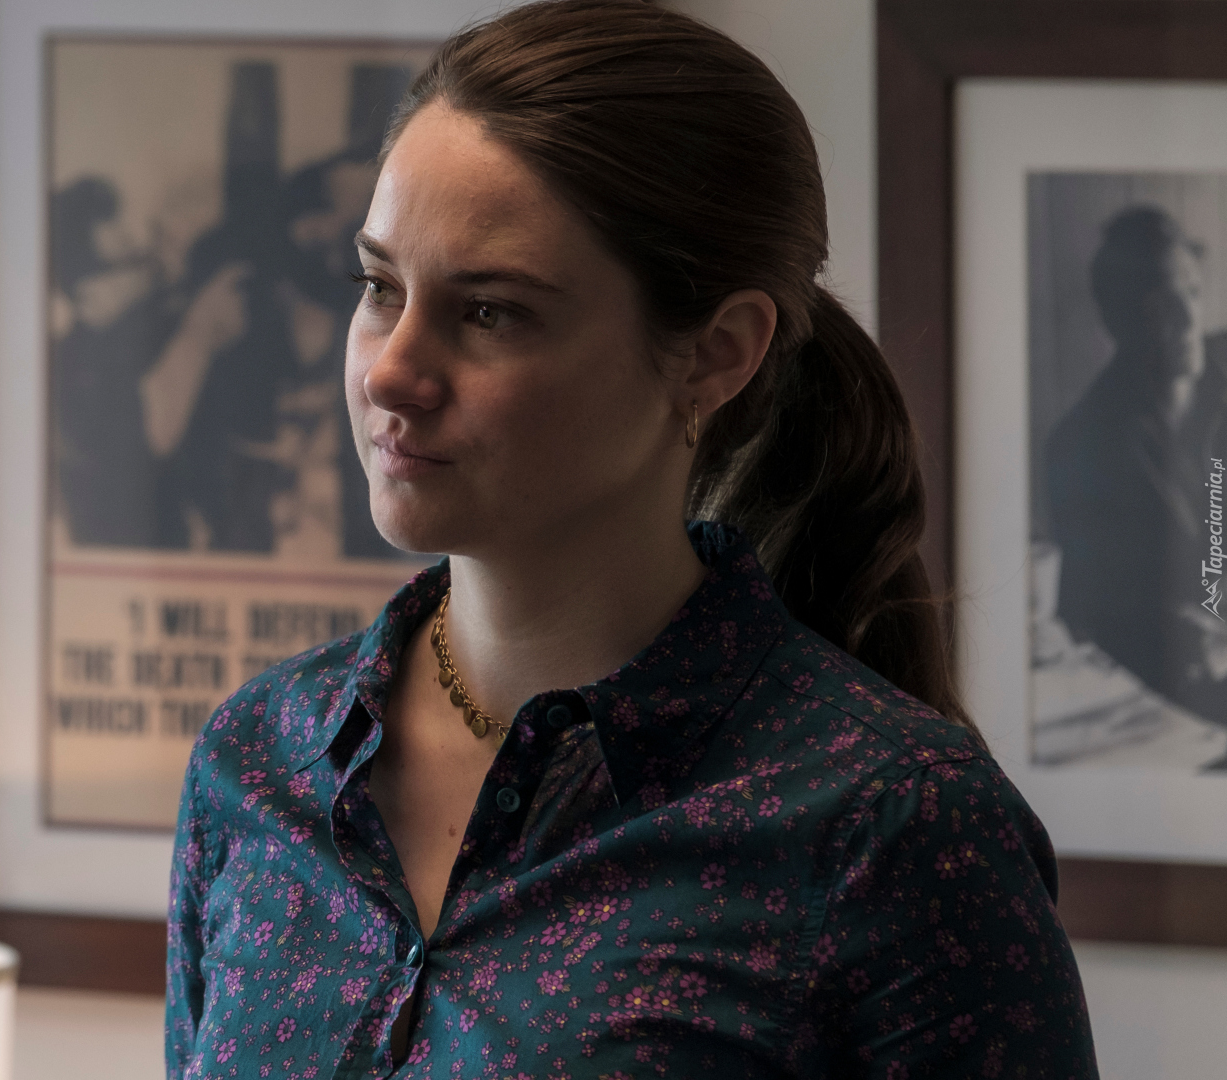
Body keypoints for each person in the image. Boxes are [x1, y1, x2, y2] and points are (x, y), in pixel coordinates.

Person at [164, 2, 1098, 1077]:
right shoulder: (257, 759)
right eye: (380, 289)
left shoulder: (895, 826)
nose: (391, 372)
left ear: (716, 354)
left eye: (490, 312)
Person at [1046, 204, 1227, 729]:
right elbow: (1087, 616)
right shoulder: (1079, 445)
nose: (1189, 321)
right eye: (1162, 306)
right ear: (1119, 322)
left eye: (1194, 292)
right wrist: (1175, 628)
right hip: (1179, 692)